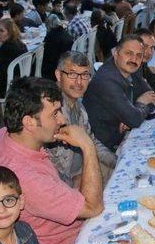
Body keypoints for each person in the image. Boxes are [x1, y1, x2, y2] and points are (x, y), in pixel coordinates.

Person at [0, 77, 104, 244]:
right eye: (55, 113)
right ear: (29, 122)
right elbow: (94, 208)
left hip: (53, 231)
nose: (62, 120)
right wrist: (87, 146)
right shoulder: (26, 178)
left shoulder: (2, 136)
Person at [47, 52, 117, 183]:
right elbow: (51, 165)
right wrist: (76, 183)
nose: (79, 82)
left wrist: (116, 161)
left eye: (84, 75)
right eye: (72, 74)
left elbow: (91, 140)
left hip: (84, 167)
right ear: (58, 75)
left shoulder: (78, 103)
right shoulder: (51, 110)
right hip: (67, 182)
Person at [83, 35, 155, 151]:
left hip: (123, 138)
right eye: (129, 53)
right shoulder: (106, 81)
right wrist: (138, 107)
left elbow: (151, 97)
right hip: (105, 148)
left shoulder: (132, 69)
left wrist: (133, 113)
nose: (134, 59)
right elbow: (134, 119)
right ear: (116, 54)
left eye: (139, 55)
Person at [0, 19, 28, 99]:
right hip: (21, 83)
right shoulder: (21, 44)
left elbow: (0, 74)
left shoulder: (5, 49)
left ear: (10, 32)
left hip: (8, 86)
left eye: (1, 31)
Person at [135, 28, 155, 92]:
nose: (149, 52)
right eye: (145, 47)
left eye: (151, 48)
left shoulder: (142, 63)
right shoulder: (129, 66)